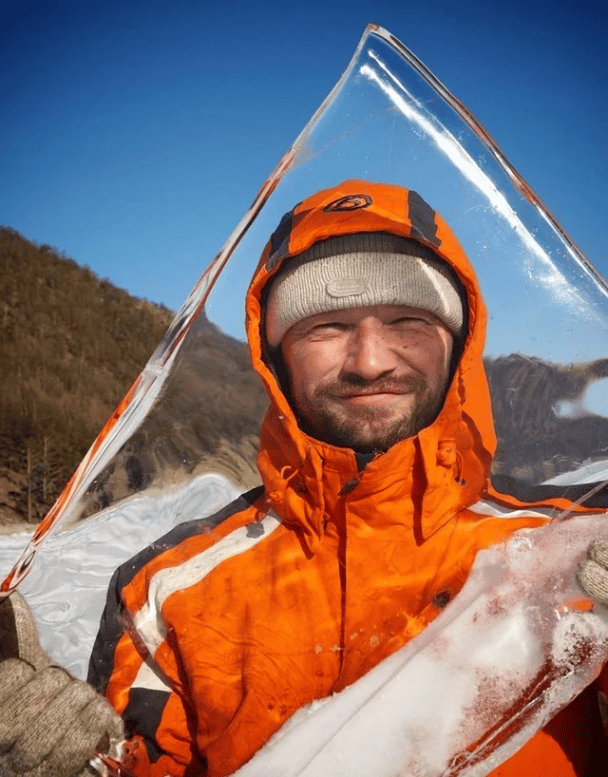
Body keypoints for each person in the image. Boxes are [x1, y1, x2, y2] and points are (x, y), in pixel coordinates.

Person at [1, 180, 607, 777]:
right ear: (274, 355)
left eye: (406, 320)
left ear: (457, 342)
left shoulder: (571, 552)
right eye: (327, 326)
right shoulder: (165, 590)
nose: (371, 360)